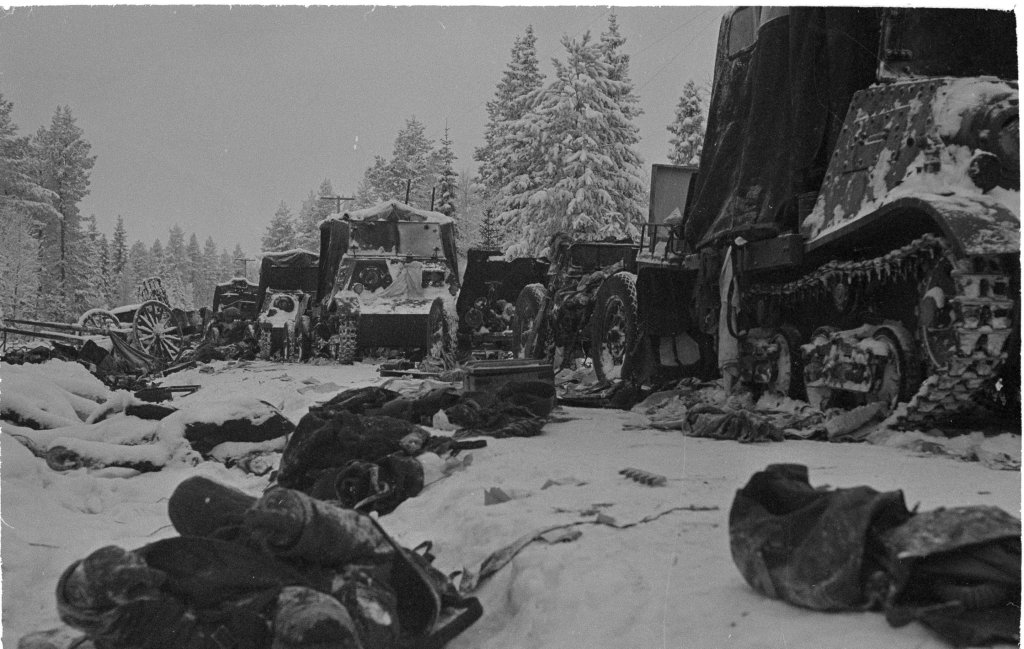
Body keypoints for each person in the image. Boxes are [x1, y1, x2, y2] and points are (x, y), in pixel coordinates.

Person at [23, 476, 480, 649]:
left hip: (265, 580)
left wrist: (298, 520)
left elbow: (315, 610)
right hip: (262, 566)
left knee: (189, 497)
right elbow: (364, 540)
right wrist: (296, 520)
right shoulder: (361, 597)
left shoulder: (339, 609)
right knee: (191, 497)